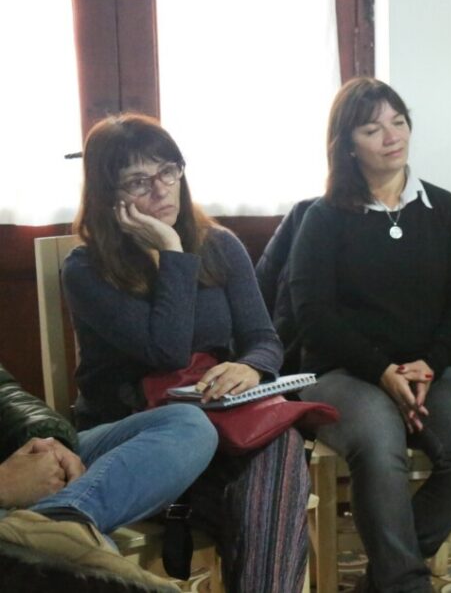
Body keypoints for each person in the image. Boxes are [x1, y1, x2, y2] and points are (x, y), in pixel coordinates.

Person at [60, 113, 311, 593]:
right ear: (108, 196)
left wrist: (249, 367)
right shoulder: (86, 269)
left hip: (221, 424)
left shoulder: (221, 245)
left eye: (168, 171)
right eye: (139, 181)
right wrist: (172, 251)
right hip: (141, 438)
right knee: (263, 500)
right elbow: (167, 351)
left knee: (280, 449)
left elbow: (264, 338)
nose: (161, 189)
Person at [290, 77, 451, 592]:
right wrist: (381, 371)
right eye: (372, 129)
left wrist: (431, 363)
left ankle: (385, 580)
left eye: (398, 122)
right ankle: (405, 585)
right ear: (346, 145)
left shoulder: (443, 209)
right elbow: (314, 316)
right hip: (344, 372)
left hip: (428, 371)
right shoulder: (323, 218)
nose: (392, 136)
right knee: (380, 444)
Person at [0, 360, 199, 593]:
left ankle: (63, 516)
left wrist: (52, 442)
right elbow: (171, 353)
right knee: (76, 563)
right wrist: (6, 482)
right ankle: (65, 525)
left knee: (187, 422)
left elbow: (6, 393)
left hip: (15, 454)